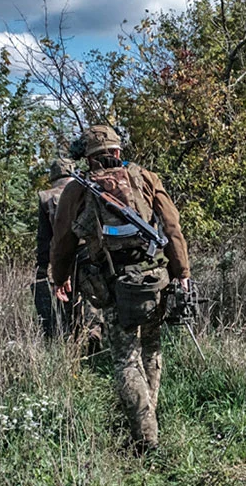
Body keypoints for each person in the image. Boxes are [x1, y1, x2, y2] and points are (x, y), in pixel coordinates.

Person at [49, 125, 191, 453]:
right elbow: (172, 227)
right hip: (155, 278)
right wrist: (181, 271)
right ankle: (149, 424)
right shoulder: (146, 177)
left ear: (88, 157)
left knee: (126, 359)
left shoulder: (78, 189)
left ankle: (145, 436)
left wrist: (60, 277)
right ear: (116, 151)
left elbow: (63, 242)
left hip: (113, 285)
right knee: (152, 349)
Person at [34, 158, 76, 338]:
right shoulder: (86, 190)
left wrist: (41, 268)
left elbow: (44, 238)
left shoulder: (46, 197)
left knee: (64, 296)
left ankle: (69, 335)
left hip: (61, 256)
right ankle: (93, 333)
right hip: (91, 254)